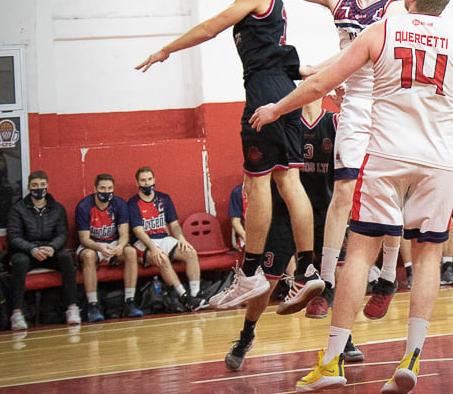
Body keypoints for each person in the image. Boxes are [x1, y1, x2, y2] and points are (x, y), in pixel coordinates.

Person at [251, 0, 453, 394]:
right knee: (429, 258)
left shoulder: (382, 30)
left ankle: (331, 362)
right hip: (438, 161)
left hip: (386, 155)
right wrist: (437, 106)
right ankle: (412, 355)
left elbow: (323, 81)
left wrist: (277, 108)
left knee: (359, 253)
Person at [145, 0, 321, 317]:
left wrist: (168, 47)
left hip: (265, 90)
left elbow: (212, 26)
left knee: (257, 180)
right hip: (279, 87)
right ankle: (309, 269)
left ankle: (252, 273)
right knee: (286, 179)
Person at [250, 0, 406, 321]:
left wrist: (317, 71)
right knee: (344, 191)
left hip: (389, 104)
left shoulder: (396, 10)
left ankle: (387, 276)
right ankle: (325, 280)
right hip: (354, 103)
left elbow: (371, 60)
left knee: (388, 194)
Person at [224, 98, 365, 370]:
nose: (308, 89)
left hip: (326, 213)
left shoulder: (335, 123)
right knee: (268, 281)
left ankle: (343, 339)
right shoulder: (284, 121)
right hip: (284, 215)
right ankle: (246, 336)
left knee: (340, 273)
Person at [7, 170, 82, 329]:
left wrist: (52, 247)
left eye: (42, 185)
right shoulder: (17, 209)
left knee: (66, 258)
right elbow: (13, 237)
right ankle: (17, 314)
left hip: (49, 251)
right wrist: (32, 249)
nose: (39, 188)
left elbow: (63, 233)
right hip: (27, 252)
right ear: (29, 187)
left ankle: (72, 308)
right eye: (35, 185)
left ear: (47, 186)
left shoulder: (57, 208)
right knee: (19, 261)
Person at [126, 167, 208, 311]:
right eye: (143, 180)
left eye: (149, 179)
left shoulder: (164, 198)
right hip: (143, 242)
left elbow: (174, 225)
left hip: (163, 237)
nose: (147, 183)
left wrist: (181, 238)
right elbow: (138, 231)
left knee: (190, 252)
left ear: (154, 179)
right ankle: (184, 296)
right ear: (137, 182)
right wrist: (153, 248)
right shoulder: (133, 203)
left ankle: (195, 295)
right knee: (161, 258)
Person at [74, 173, 144, 321]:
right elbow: (84, 239)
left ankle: (129, 302)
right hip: (92, 244)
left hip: (113, 242)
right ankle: (92, 304)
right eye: (102, 188)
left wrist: (120, 246)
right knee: (88, 256)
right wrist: (100, 248)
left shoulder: (119, 204)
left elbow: (124, 234)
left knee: (131, 252)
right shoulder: (84, 206)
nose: (106, 192)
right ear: (95, 189)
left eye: (109, 188)